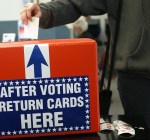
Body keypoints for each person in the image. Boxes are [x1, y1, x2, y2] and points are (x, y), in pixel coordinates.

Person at [20, 1, 150, 130]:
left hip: (135, 68)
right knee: (144, 137)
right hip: (138, 75)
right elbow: (77, 3)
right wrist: (45, 11)